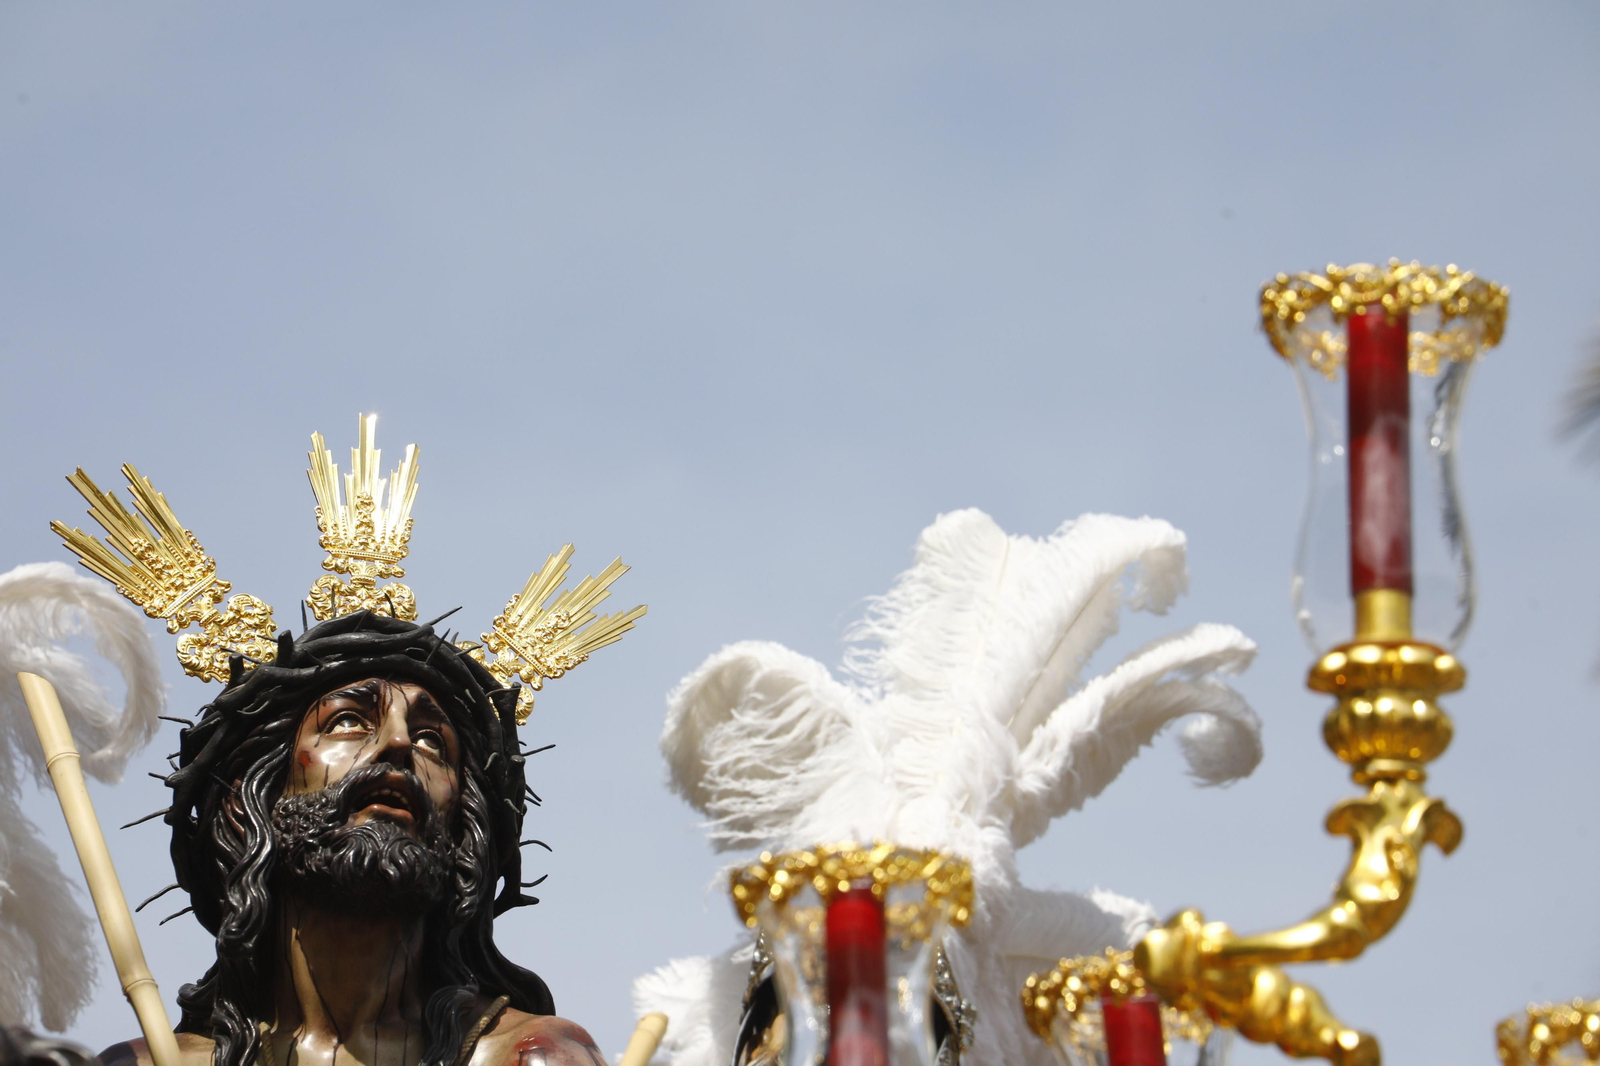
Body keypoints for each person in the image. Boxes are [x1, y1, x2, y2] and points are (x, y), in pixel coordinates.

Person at [99, 612, 606, 1066]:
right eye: (347, 721)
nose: (400, 742)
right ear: (255, 794)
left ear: (463, 824)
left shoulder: (527, 1057)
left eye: (433, 738)